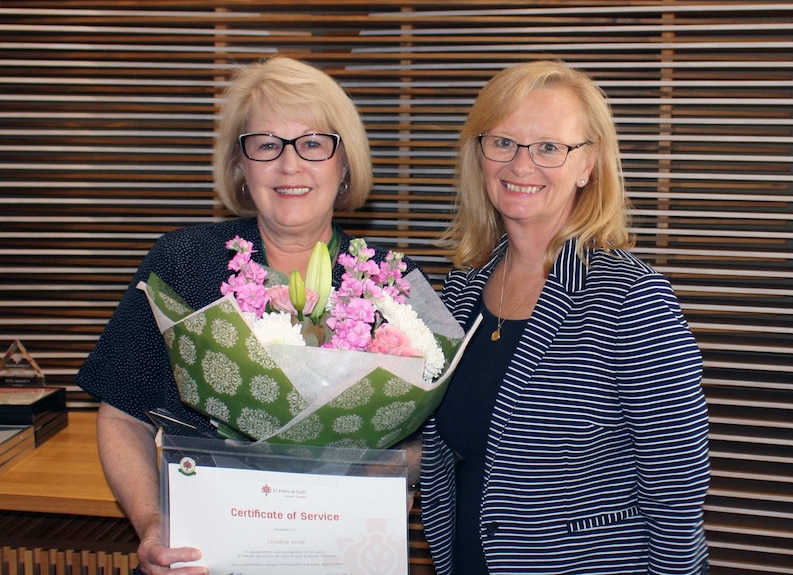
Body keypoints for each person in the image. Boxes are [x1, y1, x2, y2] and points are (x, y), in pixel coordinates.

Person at [75, 55, 419, 575]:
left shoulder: (389, 285)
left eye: (313, 143)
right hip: (202, 559)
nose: (290, 165)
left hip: (337, 554)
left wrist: (392, 485)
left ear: (344, 162)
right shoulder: (182, 265)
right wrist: (151, 523)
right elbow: (123, 415)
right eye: (266, 145)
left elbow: (419, 437)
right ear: (240, 164)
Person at [420, 60, 710, 574]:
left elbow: (676, 493)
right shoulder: (462, 288)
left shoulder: (632, 298)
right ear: (480, 154)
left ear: (588, 164)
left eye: (549, 147)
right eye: (503, 142)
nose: (521, 165)